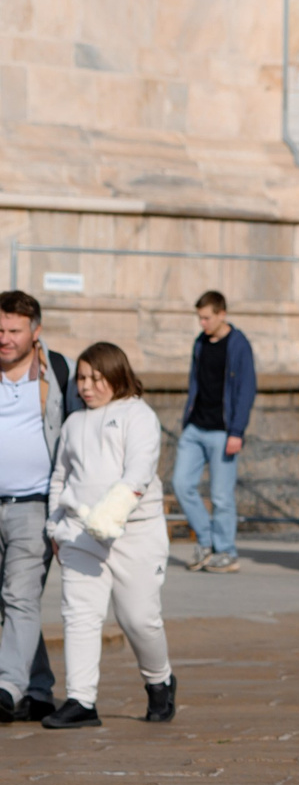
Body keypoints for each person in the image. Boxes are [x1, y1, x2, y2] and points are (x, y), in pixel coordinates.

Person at [42, 344, 173, 729]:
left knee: (139, 619)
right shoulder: (73, 424)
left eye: (96, 379)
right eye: (81, 378)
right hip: (81, 535)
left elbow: (139, 472)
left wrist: (108, 516)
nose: (86, 387)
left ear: (117, 376)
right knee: (79, 615)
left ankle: (159, 679)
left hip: (136, 532)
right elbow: (60, 478)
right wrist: (55, 526)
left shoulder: (138, 415)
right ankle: (81, 700)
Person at [0, 293, 79, 722]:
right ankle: (39, 688)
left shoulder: (58, 374)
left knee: (20, 595)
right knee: (8, 602)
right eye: (0, 330)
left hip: (33, 507)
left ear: (35, 331)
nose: (5, 339)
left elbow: (81, 439)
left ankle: (7, 686)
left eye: (14, 330)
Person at [175, 291, 254, 573]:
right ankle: (207, 542)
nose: (203, 323)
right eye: (200, 318)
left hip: (223, 431)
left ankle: (226, 552)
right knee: (181, 484)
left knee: (221, 496)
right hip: (195, 427)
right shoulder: (201, 343)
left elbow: (246, 389)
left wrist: (237, 431)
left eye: (207, 317)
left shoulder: (238, 345)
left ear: (222, 314)